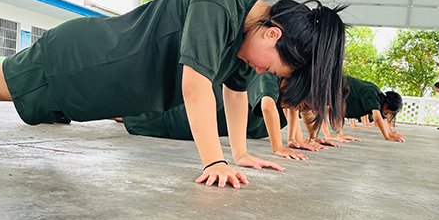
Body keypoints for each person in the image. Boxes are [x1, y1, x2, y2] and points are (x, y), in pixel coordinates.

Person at [0, 0, 346, 188]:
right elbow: (195, 85)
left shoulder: (243, 41)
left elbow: (235, 92)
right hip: (85, 59)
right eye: (271, 67)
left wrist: (240, 154)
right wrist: (213, 161)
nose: (261, 73)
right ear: (273, 33)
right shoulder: (217, 0)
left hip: (99, 85)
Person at [120, 73, 308, 160]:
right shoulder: (271, 77)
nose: (302, 109)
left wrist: (298, 140)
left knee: (147, 115)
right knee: (145, 116)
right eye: (304, 104)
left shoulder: (286, 103)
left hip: (211, 119)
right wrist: (278, 147)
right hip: (199, 113)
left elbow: (292, 110)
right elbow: (267, 106)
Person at [337, 75, 404, 142]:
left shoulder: (378, 98)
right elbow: (377, 118)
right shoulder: (372, 94)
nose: (388, 115)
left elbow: (383, 118)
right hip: (335, 86)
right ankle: (328, 135)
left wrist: (390, 132)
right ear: (386, 105)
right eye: (388, 112)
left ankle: (339, 134)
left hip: (341, 99)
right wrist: (387, 137)